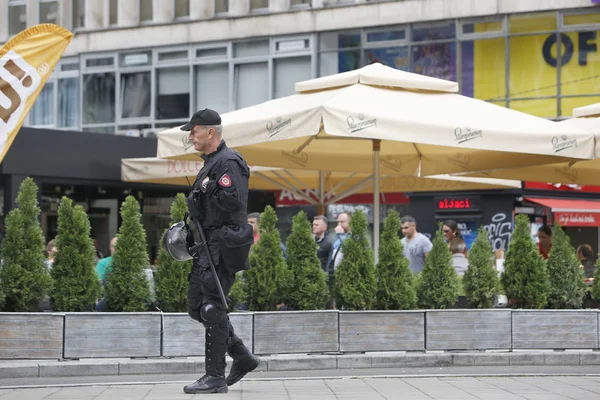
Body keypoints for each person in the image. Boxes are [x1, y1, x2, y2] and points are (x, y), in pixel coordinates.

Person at [179, 108, 259, 395]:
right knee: (196, 306)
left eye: (194, 130)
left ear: (210, 131)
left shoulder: (229, 161)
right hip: (207, 243)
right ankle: (241, 355)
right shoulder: (212, 162)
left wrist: (208, 186)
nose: (191, 135)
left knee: (213, 306)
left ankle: (215, 376)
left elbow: (233, 202)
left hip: (222, 243)